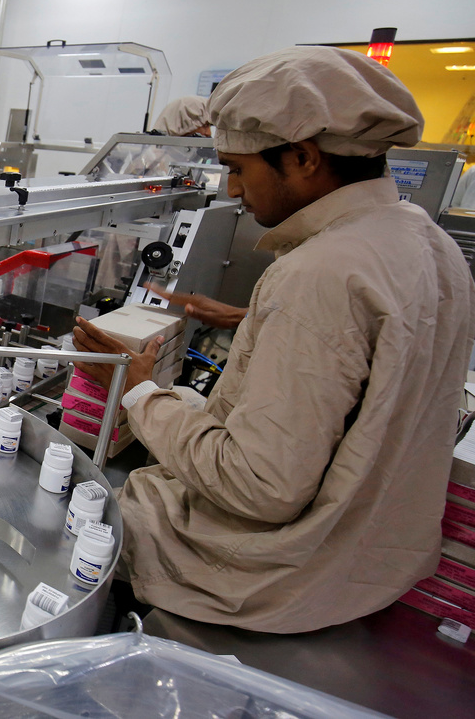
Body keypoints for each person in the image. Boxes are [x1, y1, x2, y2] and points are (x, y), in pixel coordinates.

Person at [75, 46, 475, 634]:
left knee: (80, 516)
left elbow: (258, 487)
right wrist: (253, 322)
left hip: (268, 577)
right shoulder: (427, 239)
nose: (234, 190)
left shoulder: (319, 274)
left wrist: (140, 392)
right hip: (370, 564)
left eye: (238, 168)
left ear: (303, 156)